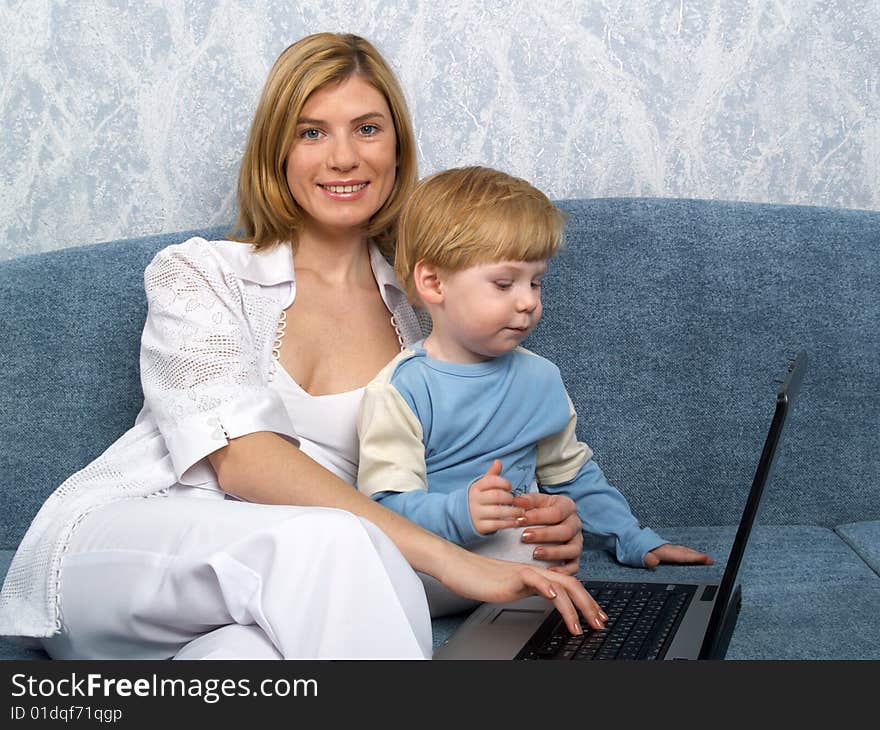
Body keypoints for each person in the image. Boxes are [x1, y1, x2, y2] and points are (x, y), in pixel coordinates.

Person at [0, 34, 604, 660]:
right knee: (335, 541)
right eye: (311, 132)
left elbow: (457, 480)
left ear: (397, 147)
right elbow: (243, 462)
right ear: (278, 153)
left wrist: (537, 520)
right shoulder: (201, 273)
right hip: (139, 551)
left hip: (297, 588)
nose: (343, 157)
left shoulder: (435, 311)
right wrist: (452, 563)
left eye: (367, 128)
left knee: (248, 657)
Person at [356, 166, 713, 616]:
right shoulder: (401, 389)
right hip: (433, 570)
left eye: (535, 282)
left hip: (527, 567)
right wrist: (459, 513)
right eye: (504, 284)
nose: (527, 301)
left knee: (568, 568)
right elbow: (382, 509)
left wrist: (633, 538)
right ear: (434, 283)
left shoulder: (541, 378)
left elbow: (572, 474)